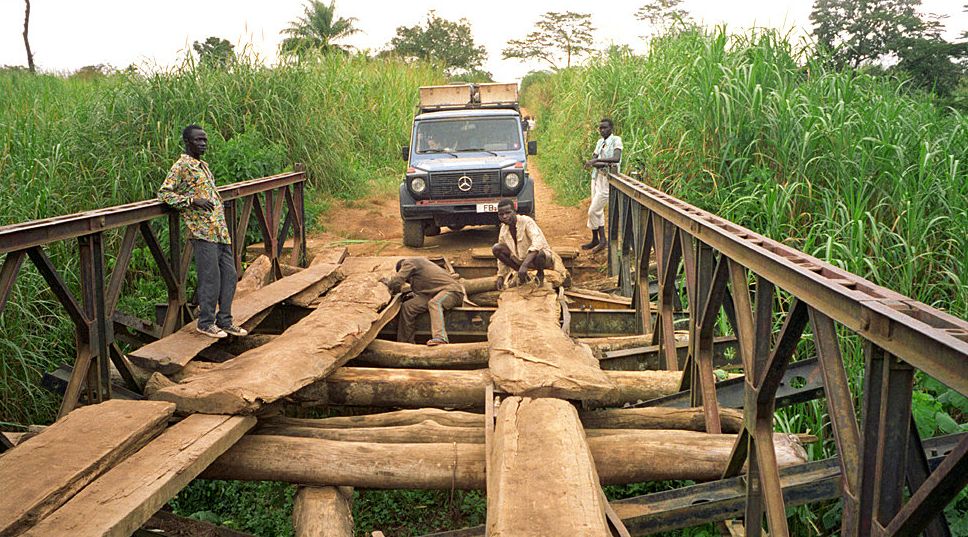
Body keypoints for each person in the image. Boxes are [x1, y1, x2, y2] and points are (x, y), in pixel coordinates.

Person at [158, 124, 247, 339]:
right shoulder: (182, 166)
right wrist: (192, 201)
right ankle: (205, 323)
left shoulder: (203, 165)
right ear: (187, 142)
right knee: (211, 279)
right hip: (202, 232)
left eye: (205, 140)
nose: (203, 144)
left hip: (219, 231)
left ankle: (225, 321)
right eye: (198, 140)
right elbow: (164, 194)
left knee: (230, 275)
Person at [382, 257, 465, 346]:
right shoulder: (419, 274)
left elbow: (397, 280)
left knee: (435, 303)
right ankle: (405, 343)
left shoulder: (410, 262)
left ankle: (440, 338)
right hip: (435, 293)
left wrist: (390, 284)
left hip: (453, 291)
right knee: (408, 307)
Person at [492, 198, 553, 289]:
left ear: (514, 211)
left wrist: (524, 265)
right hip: (519, 259)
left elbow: (538, 242)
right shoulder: (503, 229)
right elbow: (501, 258)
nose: (504, 216)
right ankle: (522, 274)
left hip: (539, 259)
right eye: (501, 214)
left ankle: (540, 273)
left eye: (508, 213)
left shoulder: (526, 221)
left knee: (539, 252)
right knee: (496, 248)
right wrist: (501, 276)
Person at [583, 117, 622, 254]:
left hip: (607, 179)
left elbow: (616, 159)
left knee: (593, 210)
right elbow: (594, 160)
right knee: (597, 210)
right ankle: (596, 239)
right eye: (600, 128)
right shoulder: (600, 142)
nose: (602, 130)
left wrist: (597, 161)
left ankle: (603, 240)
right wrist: (596, 162)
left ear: (611, 128)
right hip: (596, 177)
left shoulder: (616, 140)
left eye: (605, 128)